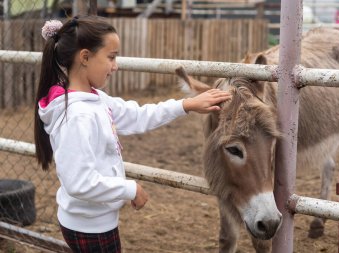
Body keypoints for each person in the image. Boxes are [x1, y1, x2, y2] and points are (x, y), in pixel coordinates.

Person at [34, 15, 231, 252]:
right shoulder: (78, 115)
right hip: (89, 226)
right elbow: (79, 182)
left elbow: (137, 115)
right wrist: (129, 188)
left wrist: (186, 105)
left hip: (92, 219)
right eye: (111, 57)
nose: (115, 66)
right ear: (85, 57)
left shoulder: (94, 99)